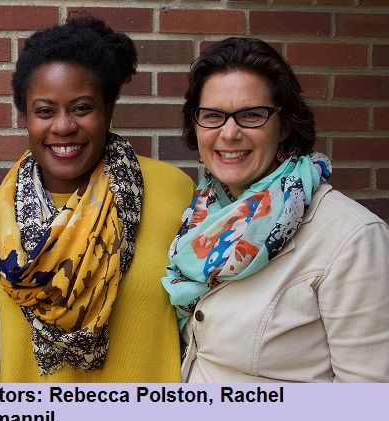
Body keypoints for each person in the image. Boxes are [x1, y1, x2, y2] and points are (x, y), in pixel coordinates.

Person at [0, 16, 195, 382]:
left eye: (82, 108)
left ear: (108, 109)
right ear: (25, 117)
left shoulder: (172, 192)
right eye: (45, 111)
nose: (63, 126)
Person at [162, 37, 389, 382]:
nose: (229, 133)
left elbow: (368, 401)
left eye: (251, 115)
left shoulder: (352, 237)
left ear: (283, 126)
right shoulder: (198, 219)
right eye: (212, 116)